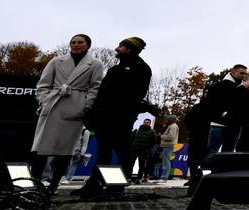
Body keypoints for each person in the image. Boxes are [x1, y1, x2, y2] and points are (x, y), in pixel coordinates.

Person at [76, 36, 155, 196]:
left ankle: (117, 185)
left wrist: (123, 111)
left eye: (121, 46)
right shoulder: (115, 69)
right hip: (105, 117)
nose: (116, 49)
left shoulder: (142, 68)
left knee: (122, 151)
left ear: (130, 49)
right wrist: (94, 114)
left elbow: (135, 95)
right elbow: (102, 93)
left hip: (122, 118)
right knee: (103, 151)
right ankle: (95, 183)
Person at [31, 34, 107, 194]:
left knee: (65, 150)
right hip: (53, 105)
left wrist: (85, 106)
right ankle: (36, 184)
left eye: (80, 42)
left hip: (75, 108)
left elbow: (96, 87)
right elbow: (43, 84)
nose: (76, 45)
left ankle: (53, 185)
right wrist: (45, 101)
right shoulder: (56, 61)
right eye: (73, 42)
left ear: (88, 45)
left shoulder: (95, 64)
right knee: (40, 148)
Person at [182, 64, 248, 183]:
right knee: (211, 153)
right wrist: (223, 115)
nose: (243, 76)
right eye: (241, 73)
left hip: (233, 125)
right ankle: (201, 177)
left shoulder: (240, 88)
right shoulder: (221, 87)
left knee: (227, 153)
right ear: (232, 72)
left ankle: (217, 177)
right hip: (219, 125)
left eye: (245, 74)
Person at [129, 113, 161, 183]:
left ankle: (139, 178)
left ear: (150, 124)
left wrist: (149, 150)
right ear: (143, 123)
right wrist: (132, 146)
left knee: (142, 165)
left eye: (148, 123)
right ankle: (128, 177)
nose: (146, 123)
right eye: (145, 122)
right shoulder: (136, 130)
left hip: (144, 150)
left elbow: (153, 142)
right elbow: (131, 139)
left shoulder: (152, 132)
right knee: (131, 164)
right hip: (135, 149)